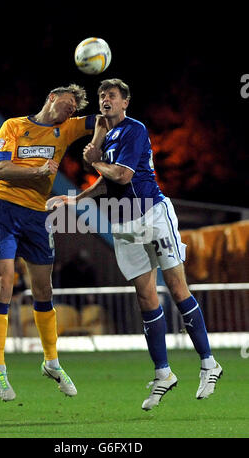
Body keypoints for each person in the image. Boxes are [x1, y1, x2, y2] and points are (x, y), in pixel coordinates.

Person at [47, 78, 223, 411]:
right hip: (123, 221)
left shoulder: (134, 129)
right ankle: (163, 373)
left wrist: (95, 159)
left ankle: (209, 363)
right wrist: (74, 200)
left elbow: (124, 176)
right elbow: (105, 184)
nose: (104, 100)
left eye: (111, 95)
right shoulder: (109, 135)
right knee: (145, 295)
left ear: (125, 101)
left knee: (176, 287)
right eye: (101, 95)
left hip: (152, 215)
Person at [0, 84, 95, 401]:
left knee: (44, 290)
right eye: (68, 102)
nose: (71, 109)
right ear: (51, 97)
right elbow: (0, 169)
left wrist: (98, 145)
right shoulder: (15, 126)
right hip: (4, 210)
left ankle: (52, 362)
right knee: (5, 282)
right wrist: (37, 172)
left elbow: (105, 119)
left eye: (75, 107)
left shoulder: (68, 128)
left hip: (37, 216)